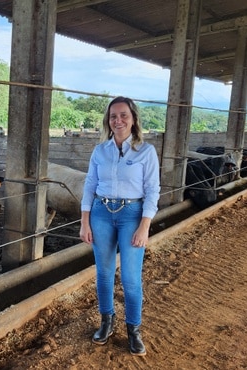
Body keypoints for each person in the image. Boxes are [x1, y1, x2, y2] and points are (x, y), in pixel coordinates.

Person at [79, 96, 160, 356]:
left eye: (124, 115)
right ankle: (107, 322)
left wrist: (144, 225)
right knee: (103, 272)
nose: (118, 120)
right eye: (114, 116)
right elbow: (90, 185)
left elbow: (152, 190)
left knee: (130, 277)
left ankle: (133, 330)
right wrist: (85, 222)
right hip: (101, 212)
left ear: (133, 119)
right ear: (108, 121)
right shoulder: (100, 151)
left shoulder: (146, 152)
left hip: (132, 214)